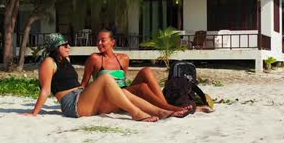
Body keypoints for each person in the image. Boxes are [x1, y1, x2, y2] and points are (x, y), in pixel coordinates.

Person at [22, 33, 181, 122]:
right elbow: (45, 90)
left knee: (124, 92)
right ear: (55, 48)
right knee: (105, 79)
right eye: (64, 45)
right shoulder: (48, 63)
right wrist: (34, 113)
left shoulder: (65, 60)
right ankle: (135, 112)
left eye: (68, 44)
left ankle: (161, 112)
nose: (68, 47)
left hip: (82, 98)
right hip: (72, 104)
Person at [81, 29, 212, 114]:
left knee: (146, 70)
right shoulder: (94, 59)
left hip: (126, 93)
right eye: (97, 40)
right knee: (142, 87)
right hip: (110, 97)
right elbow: (84, 85)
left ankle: (165, 105)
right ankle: (173, 109)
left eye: (103, 40)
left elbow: (123, 81)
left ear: (112, 42)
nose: (99, 43)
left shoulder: (124, 59)